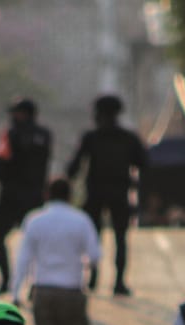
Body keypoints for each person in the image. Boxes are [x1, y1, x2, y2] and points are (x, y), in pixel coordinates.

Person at [12, 178, 102, 325]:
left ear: (46, 195)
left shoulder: (34, 220)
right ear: (70, 196)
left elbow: (23, 259)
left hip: (43, 291)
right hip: (72, 290)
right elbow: (94, 255)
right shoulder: (81, 220)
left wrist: (15, 293)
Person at [65, 94, 147, 296]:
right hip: (119, 192)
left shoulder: (91, 137)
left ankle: (93, 278)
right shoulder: (128, 138)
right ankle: (118, 282)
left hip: (95, 193)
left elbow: (74, 167)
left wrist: (66, 184)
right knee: (120, 238)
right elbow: (144, 164)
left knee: (94, 237)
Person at [0, 98, 52, 295]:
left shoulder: (10, 134)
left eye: (15, 113)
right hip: (35, 196)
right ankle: (35, 283)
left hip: (10, 196)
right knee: (36, 241)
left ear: (24, 114)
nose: (12, 117)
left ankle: (6, 280)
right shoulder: (45, 136)